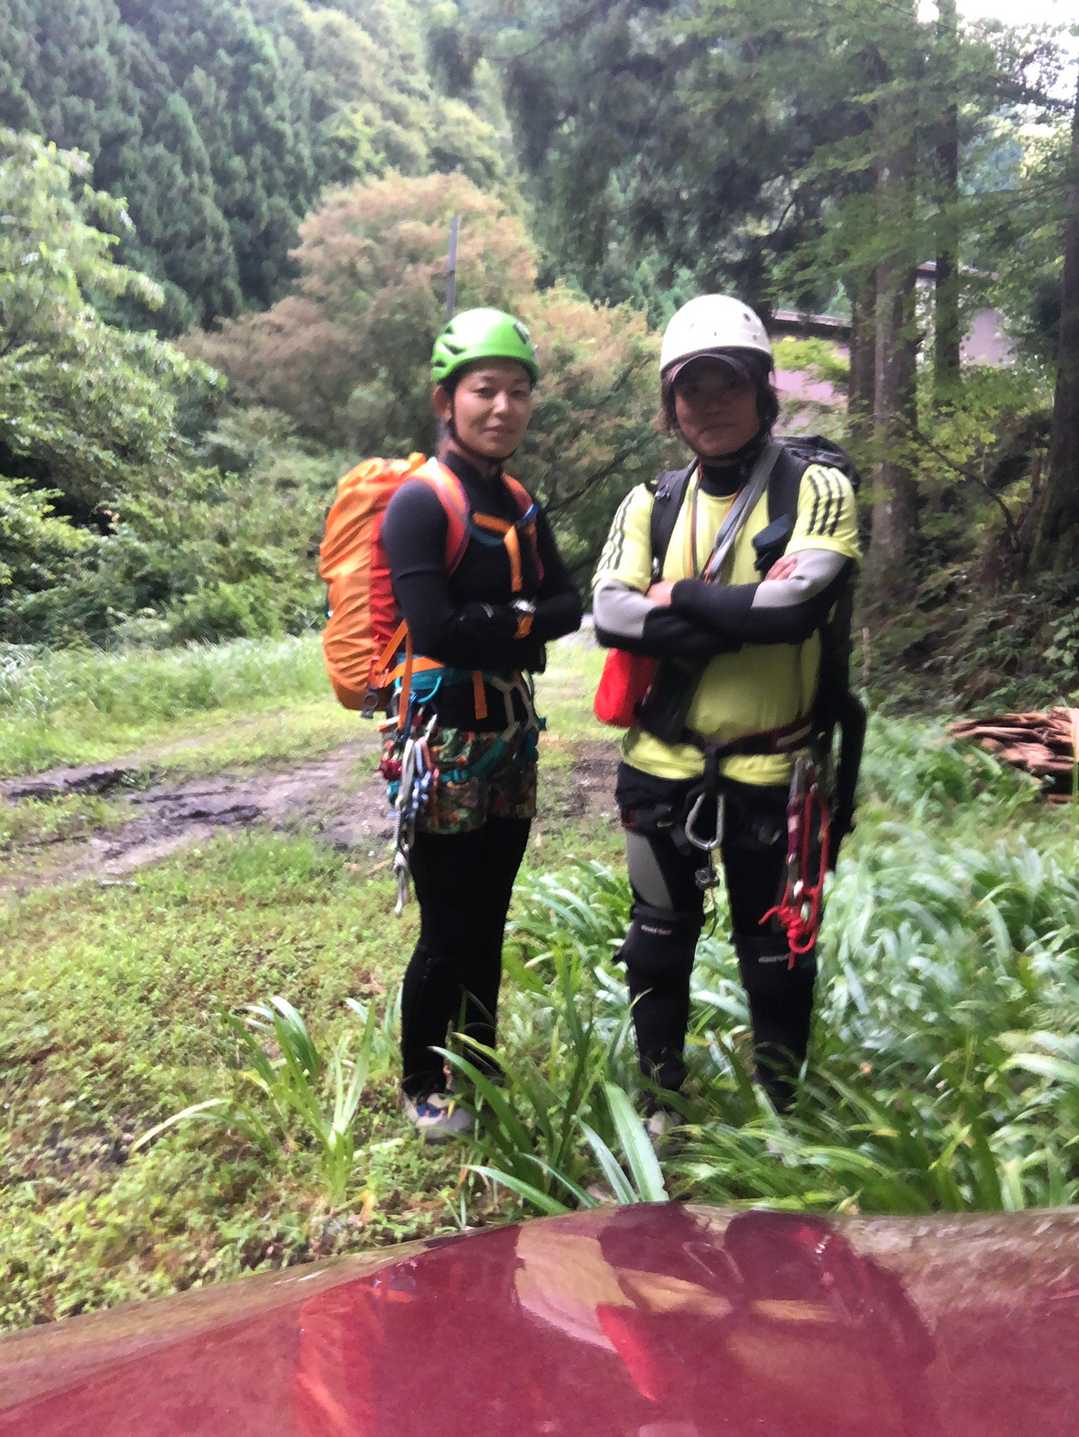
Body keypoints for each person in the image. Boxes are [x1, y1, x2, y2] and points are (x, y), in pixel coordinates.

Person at [592, 294, 860, 1128]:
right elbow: (610, 614)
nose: (709, 403)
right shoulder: (650, 501)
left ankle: (781, 1110)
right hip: (660, 762)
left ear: (761, 389)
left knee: (776, 947)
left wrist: (674, 594)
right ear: (671, 403)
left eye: (728, 383)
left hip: (774, 769)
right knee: (655, 937)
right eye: (691, 387)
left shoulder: (816, 487)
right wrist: (741, 608)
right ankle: (660, 1096)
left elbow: (796, 609)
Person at [381, 307, 582, 1140]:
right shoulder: (420, 503)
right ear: (446, 399)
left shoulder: (521, 503)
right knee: (447, 922)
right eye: (484, 390)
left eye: (518, 391)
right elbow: (436, 627)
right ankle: (421, 1078)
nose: (503, 407)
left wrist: (502, 619)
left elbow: (570, 606)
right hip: (442, 743)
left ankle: (478, 1059)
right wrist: (523, 620)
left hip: (509, 736)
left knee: (490, 913)